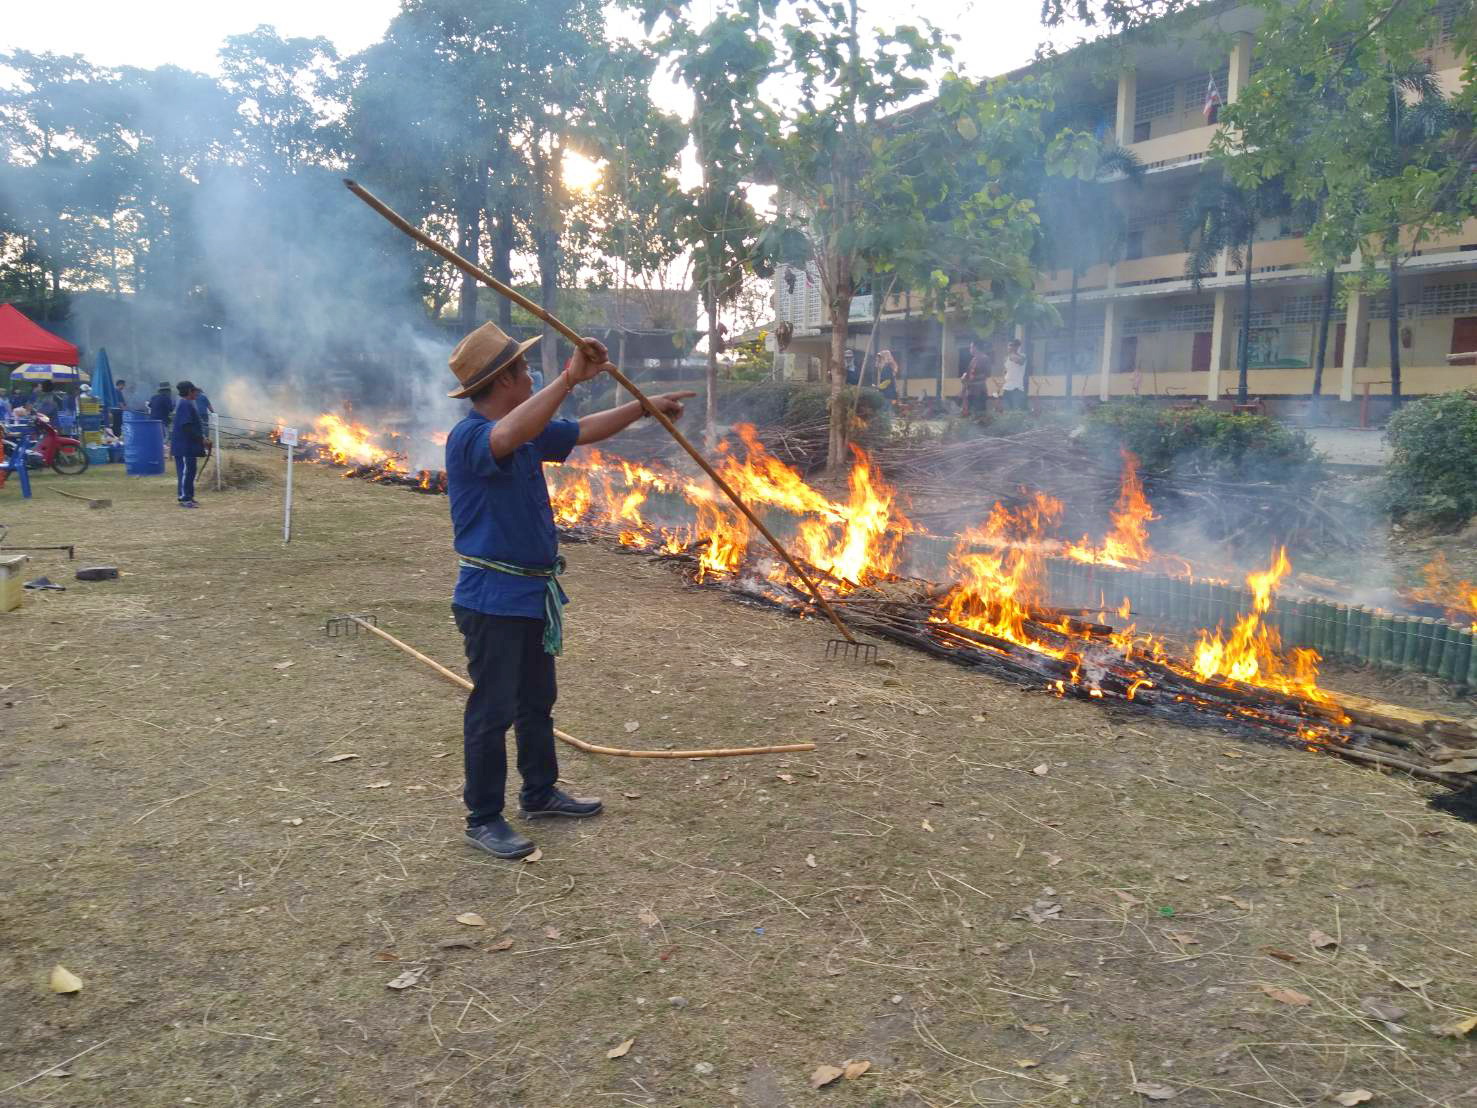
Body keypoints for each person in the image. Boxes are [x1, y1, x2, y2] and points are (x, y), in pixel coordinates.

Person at [444, 321, 694, 860]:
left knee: (537, 701)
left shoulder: (529, 429)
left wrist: (643, 406)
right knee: (494, 708)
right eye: (524, 368)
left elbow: (579, 430)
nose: (531, 374)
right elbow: (505, 438)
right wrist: (569, 378)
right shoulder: (471, 438)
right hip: (491, 598)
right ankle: (483, 818)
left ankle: (539, 792)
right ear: (505, 378)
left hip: (532, 595)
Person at [170, 381, 207, 508]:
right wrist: (200, 438)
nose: (196, 393)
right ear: (190, 391)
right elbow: (187, 426)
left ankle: (189, 496)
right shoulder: (185, 404)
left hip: (188, 446)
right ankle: (185, 498)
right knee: (186, 472)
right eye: (195, 391)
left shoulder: (186, 403)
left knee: (190, 471)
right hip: (184, 445)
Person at [962, 342, 991, 417]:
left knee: (980, 416)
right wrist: (964, 377)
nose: (970, 349)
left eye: (971, 347)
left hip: (980, 392)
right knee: (971, 415)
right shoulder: (973, 360)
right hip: (971, 392)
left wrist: (973, 379)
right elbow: (968, 374)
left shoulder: (985, 358)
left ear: (976, 347)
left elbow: (987, 374)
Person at [999, 339, 1028, 412]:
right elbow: (1005, 371)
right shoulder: (1006, 358)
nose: (1009, 347)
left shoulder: (1023, 356)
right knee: (1006, 411)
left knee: (1016, 411)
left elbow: (1020, 361)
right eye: (1009, 345)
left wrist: (1012, 354)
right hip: (1007, 387)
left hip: (1017, 388)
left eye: (1011, 345)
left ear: (1017, 347)